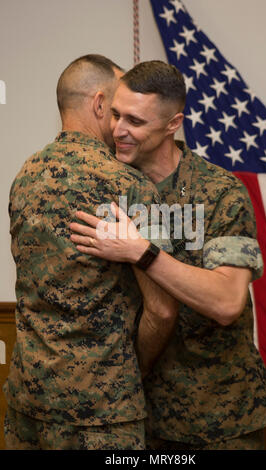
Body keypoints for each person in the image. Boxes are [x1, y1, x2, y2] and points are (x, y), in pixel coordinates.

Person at [70, 60, 266, 450]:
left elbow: (226, 302)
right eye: (115, 114)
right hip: (135, 416)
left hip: (218, 417)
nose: (118, 130)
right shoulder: (109, 186)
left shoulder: (219, 192)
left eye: (135, 120)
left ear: (172, 124)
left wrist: (141, 252)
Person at [4, 55, 177, 450]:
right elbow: (163, 309)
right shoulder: (129, 186)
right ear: (98, 104)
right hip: (103, 411)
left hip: (28, 400)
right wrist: (134, 368)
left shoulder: (25, 176)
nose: (119, 123)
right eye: (115, 110)